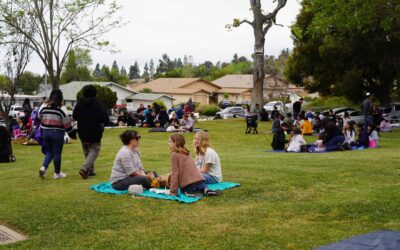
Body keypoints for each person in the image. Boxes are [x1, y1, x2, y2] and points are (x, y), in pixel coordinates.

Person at [73, 85, 107, 179]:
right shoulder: (98, 103)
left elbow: (75, 116)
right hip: (95, 129)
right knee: (95, 150)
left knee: (86, 149)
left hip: (82, 129)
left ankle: (90, 170)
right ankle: (85, 169)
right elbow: (103, 117)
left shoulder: (80, 103)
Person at [38, 89, 73, 179]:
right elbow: (67, 124)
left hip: (45, 132)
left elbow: (39, 116)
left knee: (49, 152)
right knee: (57, 153)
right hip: (57, 133)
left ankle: (43, 168)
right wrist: (71, 132)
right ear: (61, 98)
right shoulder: (62, 108)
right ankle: (57, 174)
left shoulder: (44, 106)